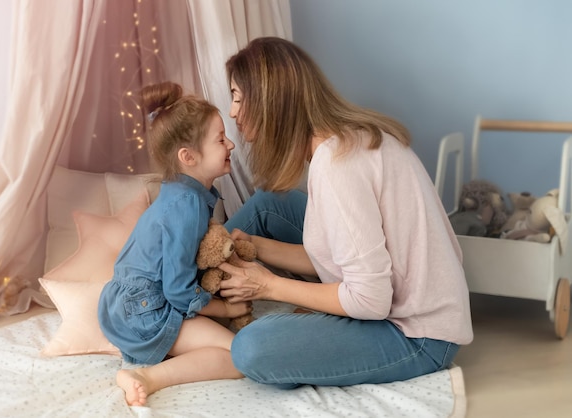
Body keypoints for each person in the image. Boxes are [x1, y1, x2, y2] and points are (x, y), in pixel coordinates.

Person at [217, 37, 474, 389]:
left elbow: (370, 299)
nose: (232, 112)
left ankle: (187, 307)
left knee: (251, 348)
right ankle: (191, 294)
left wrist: (269, 285)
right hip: (394, 287)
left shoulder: (337, 166)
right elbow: (341, 256)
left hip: (418, 335)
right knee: (269, 204)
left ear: (269, 102)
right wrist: (256, 248)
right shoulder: (344, 139)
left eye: (237, 97)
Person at [97, 81, 251, 406]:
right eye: (220, 139)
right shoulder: (187, 206)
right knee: (241, 356)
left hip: (122, 306)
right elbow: (179, 290)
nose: (231, 145)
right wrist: (225, 308)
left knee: (227, 344)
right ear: (189, 156)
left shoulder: (182, 193)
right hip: (143, 312)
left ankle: (154, 360)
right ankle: (145, 377)